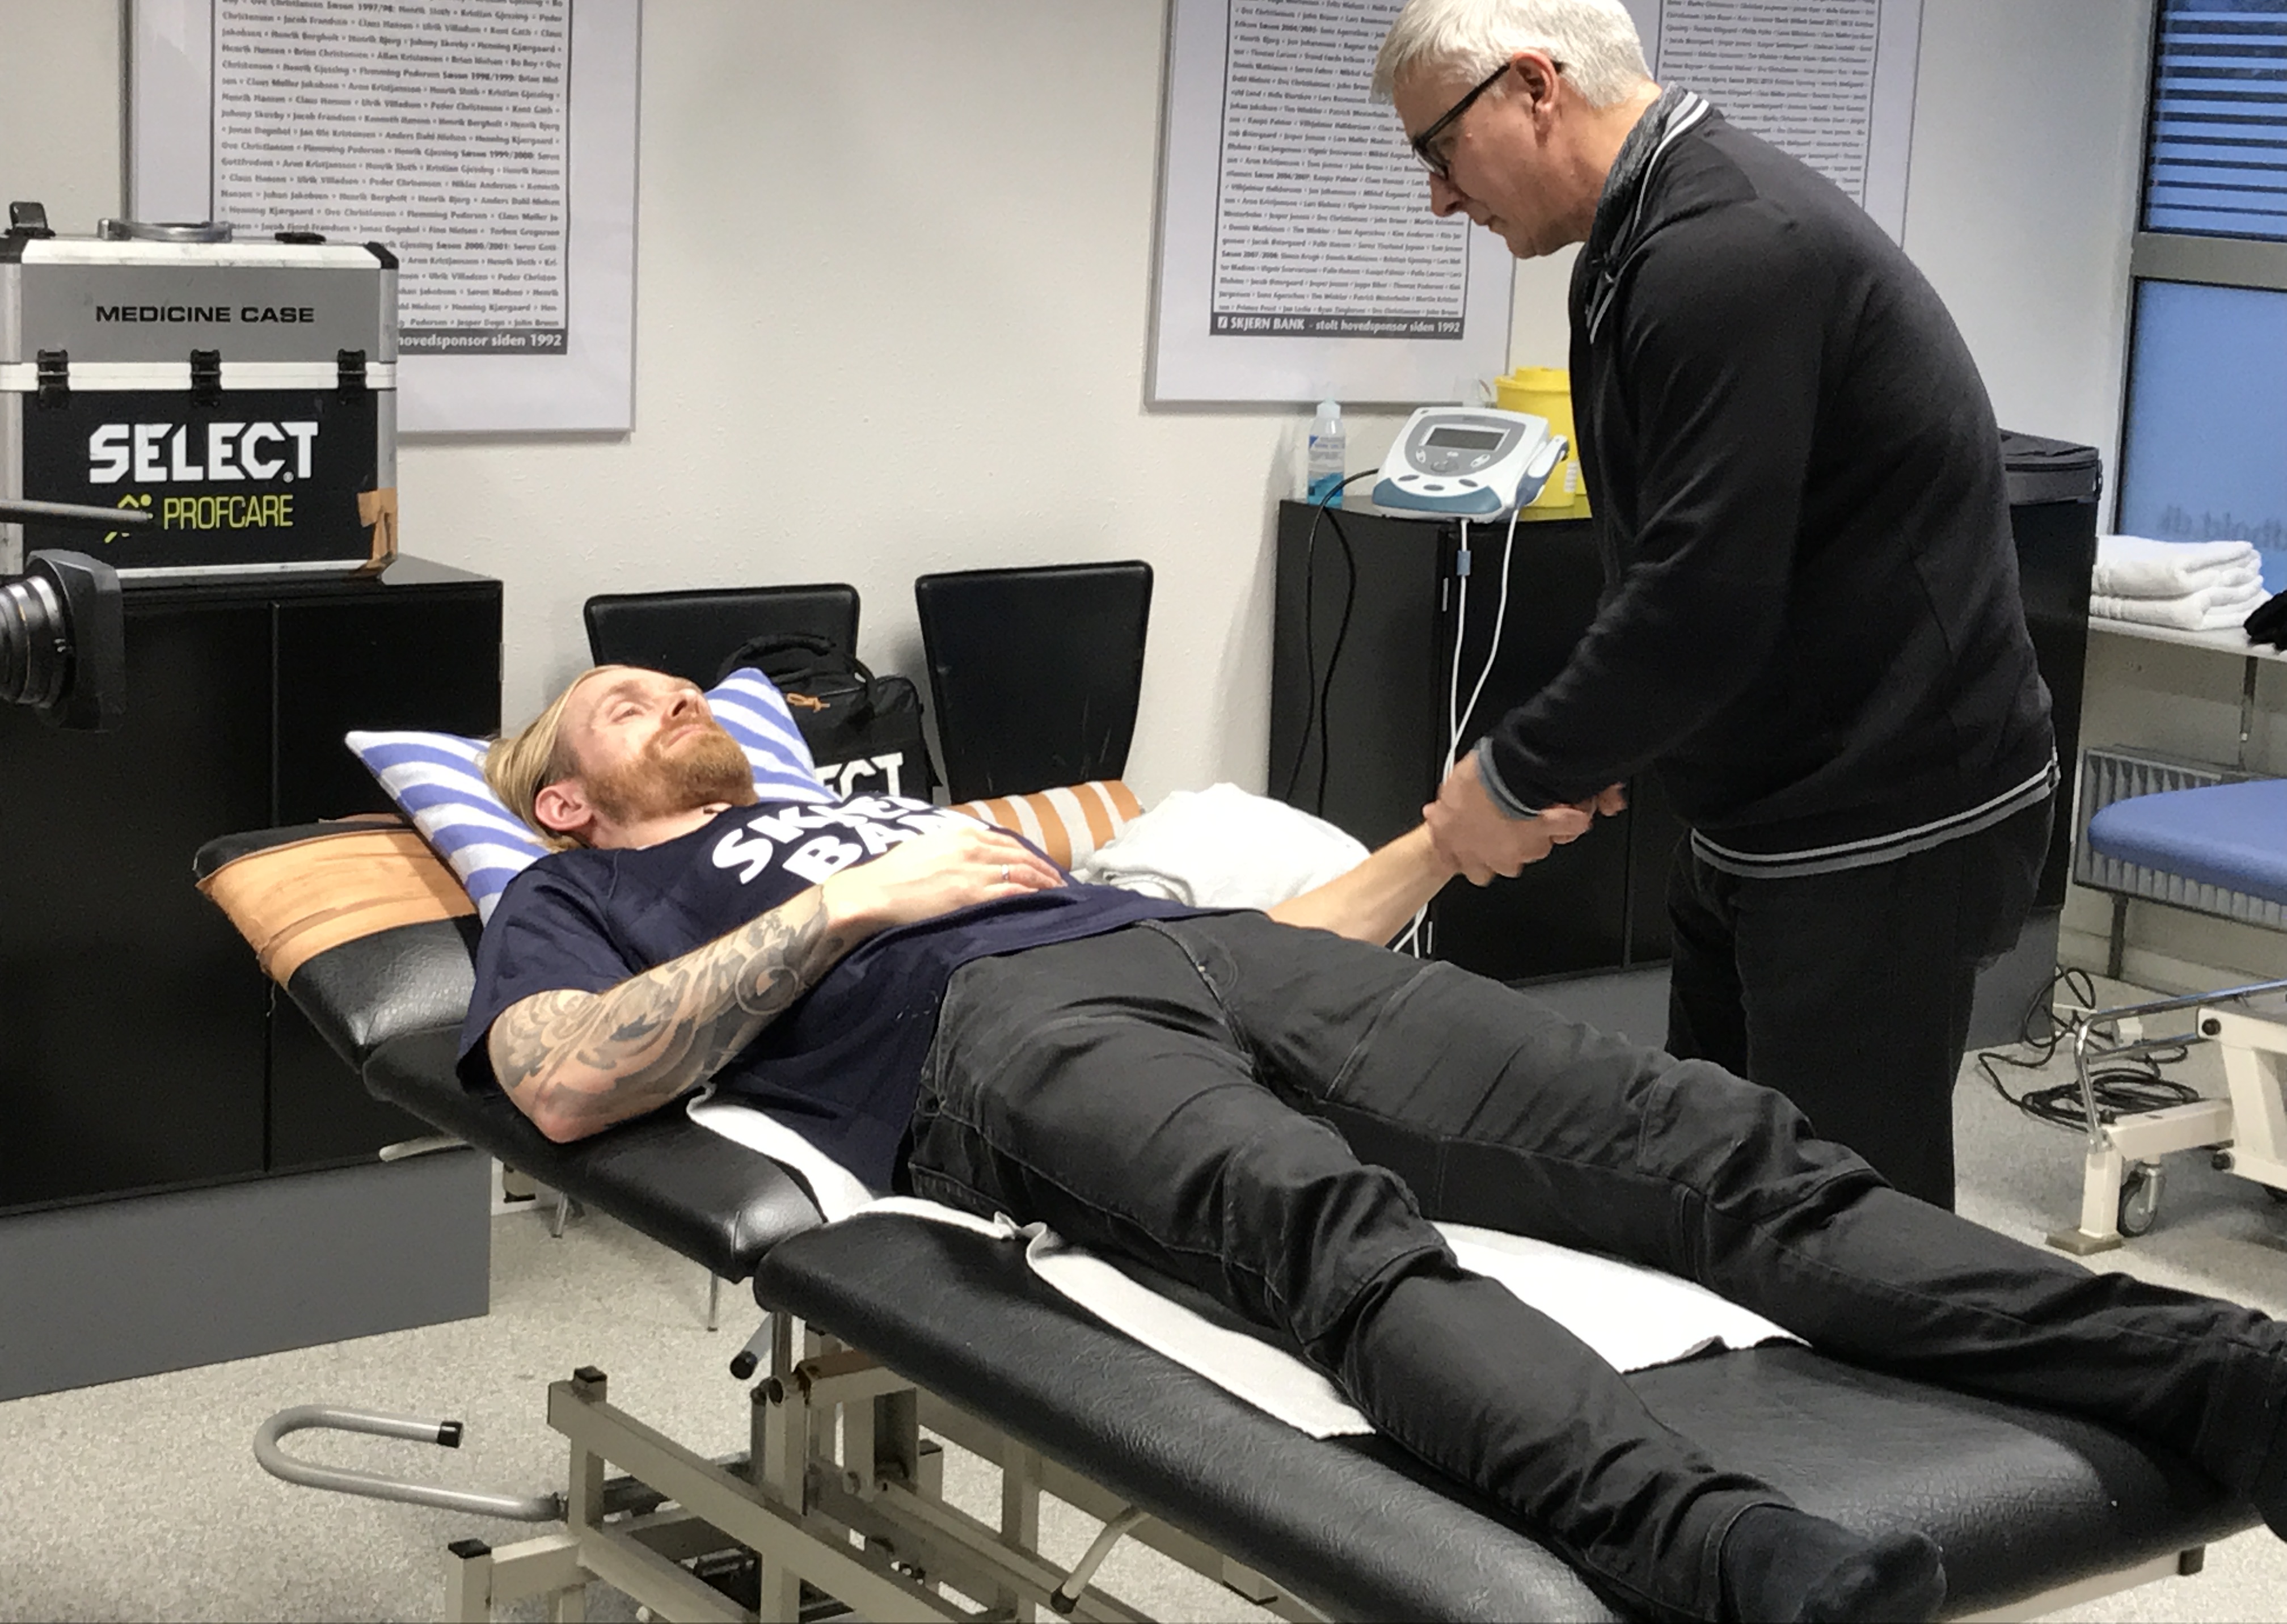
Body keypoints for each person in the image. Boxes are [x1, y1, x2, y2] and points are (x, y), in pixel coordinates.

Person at [461, 664, 2287, 1624]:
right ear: (562, 795)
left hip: (1202, 946)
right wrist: (856, 908)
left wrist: (1436, 853)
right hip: (988, 1037)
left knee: (1709, 1137)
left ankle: (2214, 1375)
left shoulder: (885, 809)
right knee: (1326, 1233)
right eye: (628, 701)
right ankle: (1730, 1557)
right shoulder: (572, 898)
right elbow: (555, 1081)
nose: (680, 698)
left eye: (681, 686)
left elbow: (1285, 931)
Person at [1378, 0, 2055, 1209]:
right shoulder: (1637, 246)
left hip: (1883, 810)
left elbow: (1704, 598)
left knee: (1849, 1223)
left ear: (1535, 86)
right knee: (1719, 1179)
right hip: (1763, 797)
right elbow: (1676, 553)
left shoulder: (1725, 251)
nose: (1439, 199)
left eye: (1440, 150)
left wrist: (1515, 776)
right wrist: (1608, 741)